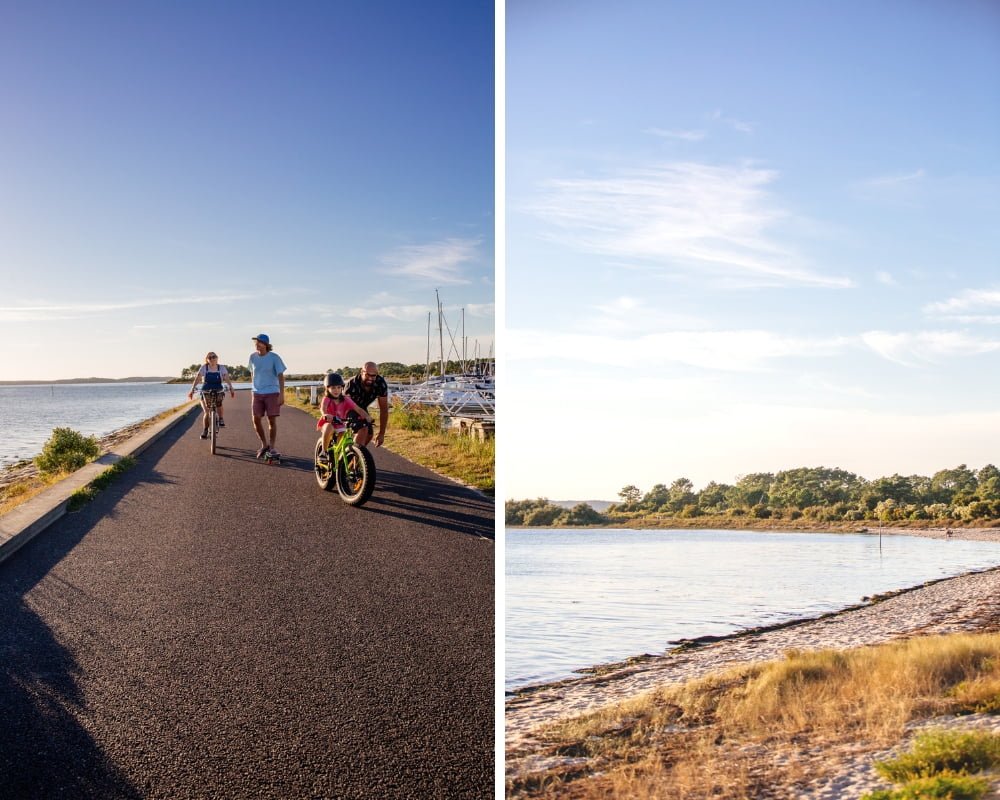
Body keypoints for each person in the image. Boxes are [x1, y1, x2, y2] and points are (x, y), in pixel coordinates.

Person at [248, 333, 287, 459]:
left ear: (265, 344)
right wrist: (253, 389)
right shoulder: (252, 357)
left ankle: (272, 447)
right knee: (256, 419)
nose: (257, 344)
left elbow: (281, 376)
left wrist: (282, 394)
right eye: (256, 342)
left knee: (271, 420)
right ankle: (264, 444)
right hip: (257, 393)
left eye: (259, 342)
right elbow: (252, 374)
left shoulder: (274, 358)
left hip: (272, 392)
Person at [316, 372, 372, 458]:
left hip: (340, 423)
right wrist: (325, 415)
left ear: (342, 388)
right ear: (327, 388)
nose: (336, 390)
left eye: (339, 387)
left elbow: (358, 409)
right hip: (328, 422)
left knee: (343, 436)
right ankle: (324, 452)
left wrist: (367, 416)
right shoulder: (327, 399)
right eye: (333, 388)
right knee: (329, 427)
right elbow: (323, 408)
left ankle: (339, 456)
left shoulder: (345, 399)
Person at [187, 352, 235, 439]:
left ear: (217, 358)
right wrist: (192, 389)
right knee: (206, 411)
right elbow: (198, 378)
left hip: (218, 389)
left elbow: (226, 378)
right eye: (210, 357)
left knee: (219, 403)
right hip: (206, 390)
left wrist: (231, 388)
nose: (212, 359)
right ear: (207, 359)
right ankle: (205, 430)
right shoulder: (204, 368)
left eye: (214, 357)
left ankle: (221, 418)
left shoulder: (221, 368)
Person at [344, 361, 389, 447]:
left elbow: (384, 409)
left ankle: (356, 453)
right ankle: (353, 451)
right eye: (368, 375)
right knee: (363, 429)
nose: (370, 378)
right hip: (348, 407)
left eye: (374, 375)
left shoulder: (380, 383)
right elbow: (346, 404)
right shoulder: (351, 384)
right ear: (362, 372)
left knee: (369, 435)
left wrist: (381, 434)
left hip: (362, 407)